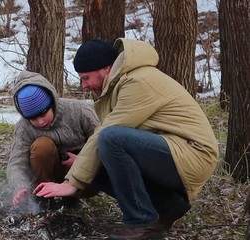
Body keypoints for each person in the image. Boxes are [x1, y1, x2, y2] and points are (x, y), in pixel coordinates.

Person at [33, 38, 219, 240]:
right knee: (98, 157)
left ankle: (142, 222)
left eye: (86, 78)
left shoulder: (138, 82)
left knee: (110, 139)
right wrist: (83, 167)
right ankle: (167, 205)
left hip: (193, 154)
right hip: (172, 151)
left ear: (105, 69)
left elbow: (108, 131)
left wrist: (72, 182)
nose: (84, 85)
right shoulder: (120, 83)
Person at [7, 70, 99, 208]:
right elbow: (16, 163)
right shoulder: (23, 127)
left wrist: (81, 161)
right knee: (42, 146)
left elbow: (101, 141)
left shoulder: (79, 111)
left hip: (84, 177)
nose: (40, 122)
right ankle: (46, 197)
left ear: (52, 102)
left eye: (43, 114)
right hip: (47, 175)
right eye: (33, 118)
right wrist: (20, 187)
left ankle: (71, 198)